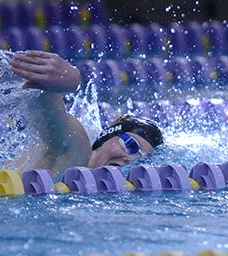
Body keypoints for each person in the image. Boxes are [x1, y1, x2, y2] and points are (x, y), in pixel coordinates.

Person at [9, 50, 164, 174]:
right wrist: (62, 83)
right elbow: (51, 115)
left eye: (141, 160)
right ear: (108, 135)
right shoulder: (78, 151)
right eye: (131, 145)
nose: (130, 159)